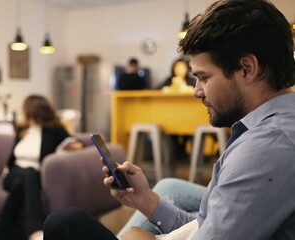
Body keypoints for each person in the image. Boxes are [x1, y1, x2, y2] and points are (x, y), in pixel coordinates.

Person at [43, 0, 295, 239]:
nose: (197, 91)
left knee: (64, 223)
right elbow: (207, 229)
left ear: (247, 69)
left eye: (205, 77)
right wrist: (144, 200)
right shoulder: (269, 131)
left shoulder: (265, 148)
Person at [0, 95, 71, 240]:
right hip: (14, 173)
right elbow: (12, 157)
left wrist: (69, 147)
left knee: (19, 187)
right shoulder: (22, 129)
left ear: (32, 111)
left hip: (33, 177)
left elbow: (74, 141)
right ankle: (34, 231)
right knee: (28, 173)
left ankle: (0, 234)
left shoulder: (54, 130)